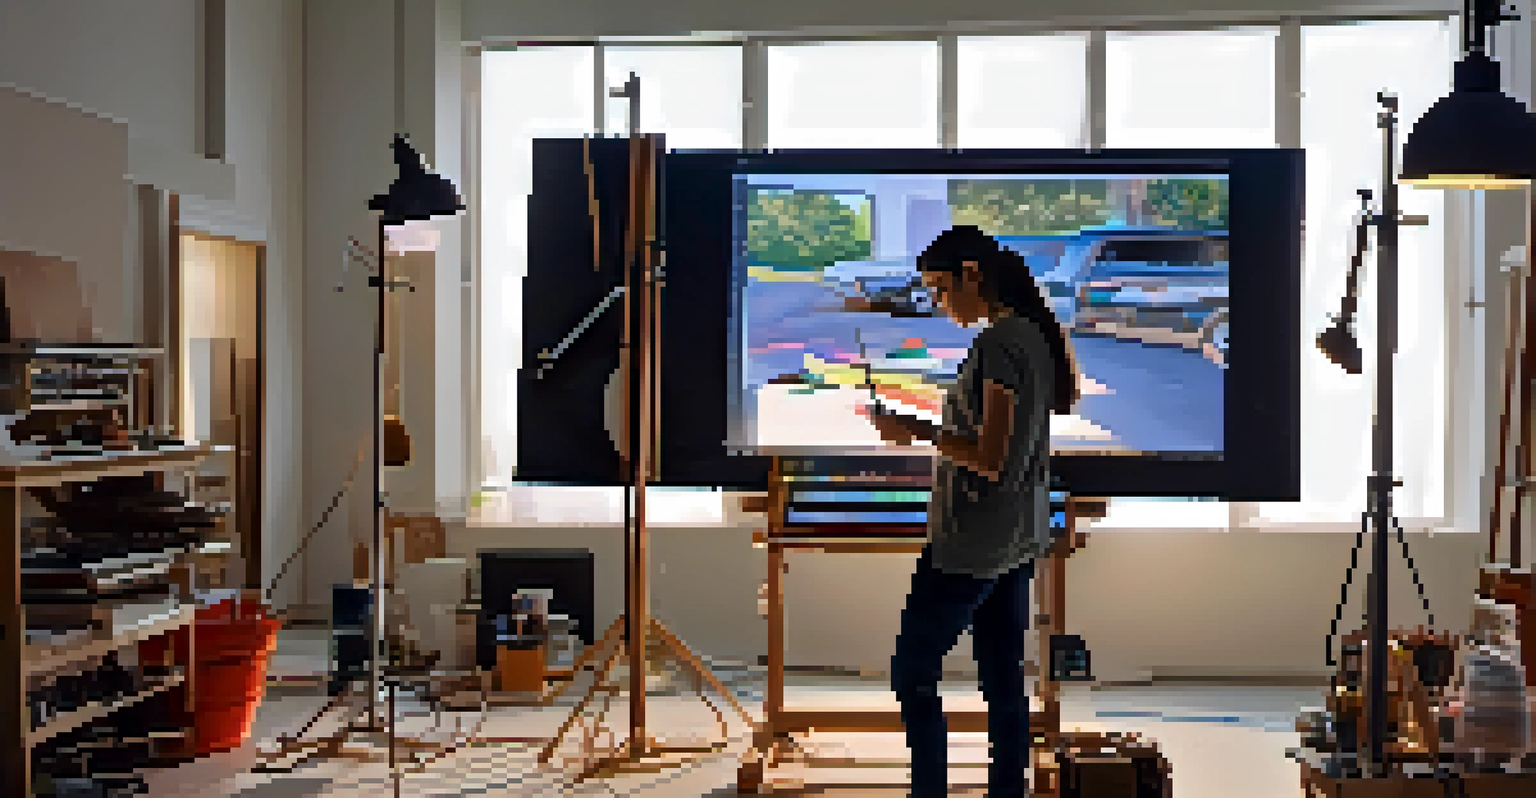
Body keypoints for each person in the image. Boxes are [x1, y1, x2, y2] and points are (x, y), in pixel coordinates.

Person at [868, 225, 1079, 798]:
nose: (938, 302)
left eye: (941, 288)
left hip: (974, 542)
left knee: (912, 674)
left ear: (972, 275)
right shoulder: (1031, 335)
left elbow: (993, 459)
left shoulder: (998, 345)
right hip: (1016, 536)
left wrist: (916, 430)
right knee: (1002, 679)